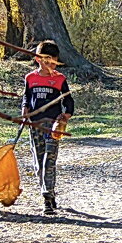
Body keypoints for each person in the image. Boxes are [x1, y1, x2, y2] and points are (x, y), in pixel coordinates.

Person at [22, 41, 74, 215]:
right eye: (47, 61)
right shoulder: (30, 78)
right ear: (38, 59)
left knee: (49, 160)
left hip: (53, 126)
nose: (50, 65)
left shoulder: (60, 79)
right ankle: (48, 192)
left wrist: (65, 117)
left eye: (54, 62)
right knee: (39, 161)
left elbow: (69, 102)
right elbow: (26, 98)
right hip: (35, 124)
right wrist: (25, 110)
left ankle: (47, 197)